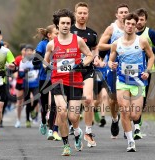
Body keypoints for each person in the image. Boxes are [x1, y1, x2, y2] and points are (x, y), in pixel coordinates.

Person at [43, 8, 93, 156]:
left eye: (68, 23)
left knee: (73, 117)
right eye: (62, 23)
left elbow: (90, 55)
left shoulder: (77, 40)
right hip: (57, 80)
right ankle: (66, 145)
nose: (65, 25)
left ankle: (77, 132)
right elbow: (46, 62)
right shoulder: (51, 44)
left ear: (71, 24)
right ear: (57, 25)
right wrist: (49, 67)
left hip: (75, 81)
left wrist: (82, 64)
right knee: (62, 111)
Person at [108, 13, 155, 152]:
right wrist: (111, 64)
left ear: (136, 26)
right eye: (128, 23)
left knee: (135, 115)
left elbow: (151, 57)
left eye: (133, 24)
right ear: (124, 24)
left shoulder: (142, 41)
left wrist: (147, 71)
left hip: (138, 82)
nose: (130, 26)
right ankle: (130, 141)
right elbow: (111, 60)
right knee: (124, 111)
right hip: (122, 81)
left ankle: (133, 129)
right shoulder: (116, 43)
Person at [70, 2, 100, 147]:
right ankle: (74, 128)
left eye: (85, 13)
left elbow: (95, 50)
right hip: (70, 72)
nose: (82, 15)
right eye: (80, 13)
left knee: (88, 100)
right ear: (75, 14)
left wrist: (97, 58)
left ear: (88, 15)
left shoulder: (93, 33)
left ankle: (88, 132)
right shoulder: (68, 30)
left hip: (87, 71)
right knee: (70, 109)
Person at [132, 8, 155, 140]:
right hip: (129, 70)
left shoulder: (150, 32)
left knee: (141, 99)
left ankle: (137, 125)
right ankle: (131, 125)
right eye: (137, 19)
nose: (139, 22)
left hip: (146, 71)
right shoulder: (129, 31)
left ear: (145, 20)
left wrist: (147, 49)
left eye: (142, 20)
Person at [98, 3, 129, 139]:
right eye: (121, 12)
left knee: (127, 96)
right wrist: (116, 45)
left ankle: (126, 123)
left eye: (125, 12)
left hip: (128, 66)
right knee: (113, 98)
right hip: (113, 66)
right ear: (117, 15)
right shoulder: (112, 28)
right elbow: (100, 45)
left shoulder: (132, 28)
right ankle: (115, 119)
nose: (123, 14)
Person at [32, 25, 61, 140]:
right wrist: (46, 64)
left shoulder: (63, 44)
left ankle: (52, 130)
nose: (58, 36)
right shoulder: (43, 44)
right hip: (45, 78)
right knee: (44, 104)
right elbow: (35, 61)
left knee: (54, 103)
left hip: (57, 78)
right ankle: (43, 121)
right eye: (56, 33)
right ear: (49, 35)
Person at [18, 44, 39, 128]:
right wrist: (25, 72)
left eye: (31, 50)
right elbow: (20, 74)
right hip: (26, 84)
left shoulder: (36, 60)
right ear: (25, 52)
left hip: (35, 83)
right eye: (27, 51)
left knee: (37, 98)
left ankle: (33, 109)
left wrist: (35, 67)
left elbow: (40, 67)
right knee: (27, 101)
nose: (29, 52)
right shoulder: (22, 61)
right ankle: (27, 119)